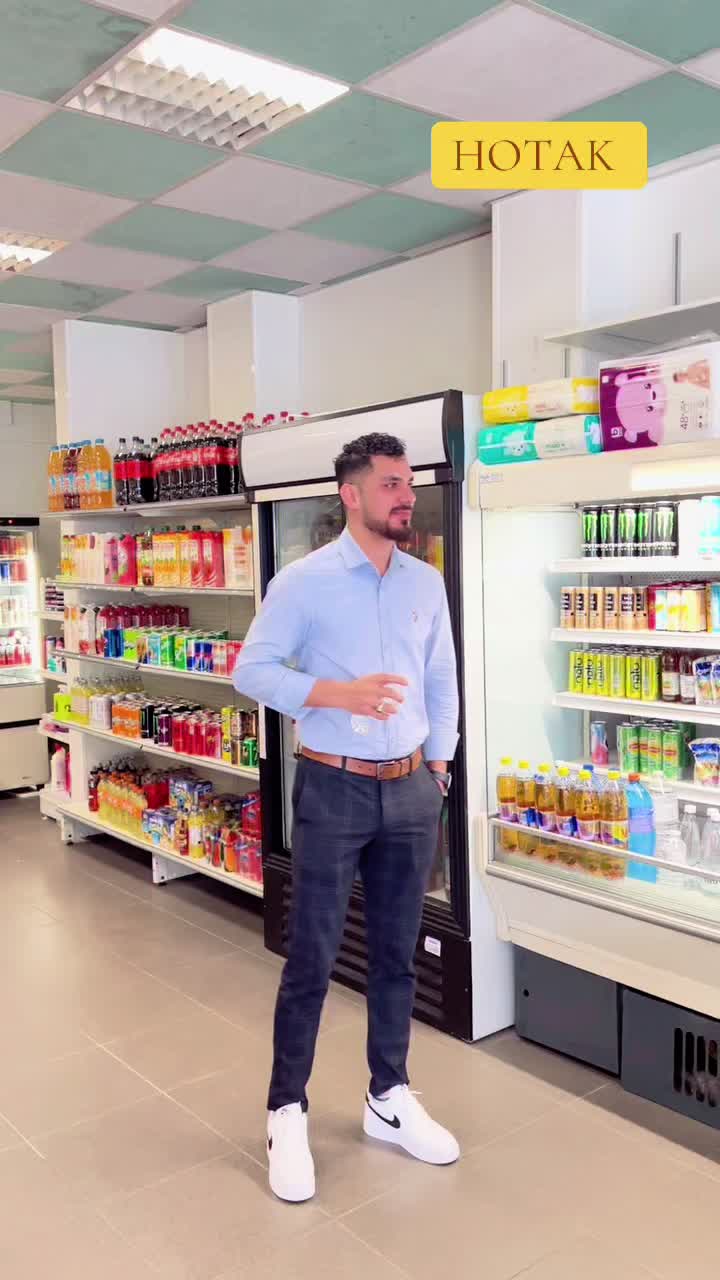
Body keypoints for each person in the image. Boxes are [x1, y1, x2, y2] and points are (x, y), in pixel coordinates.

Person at [233, 432, 460, 1202]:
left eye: (408, 483)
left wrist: (438, 767)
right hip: (333, 787)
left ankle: (388, 1096)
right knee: (313, 957)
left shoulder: (424, 582)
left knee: (396, 955)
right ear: (351, 494)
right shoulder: (304, 583)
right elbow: (252, 670)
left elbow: (441, 678)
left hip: (411, 789)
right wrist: (337, 694)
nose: (406, 496)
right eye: (391, 484)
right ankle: (285, 1111)